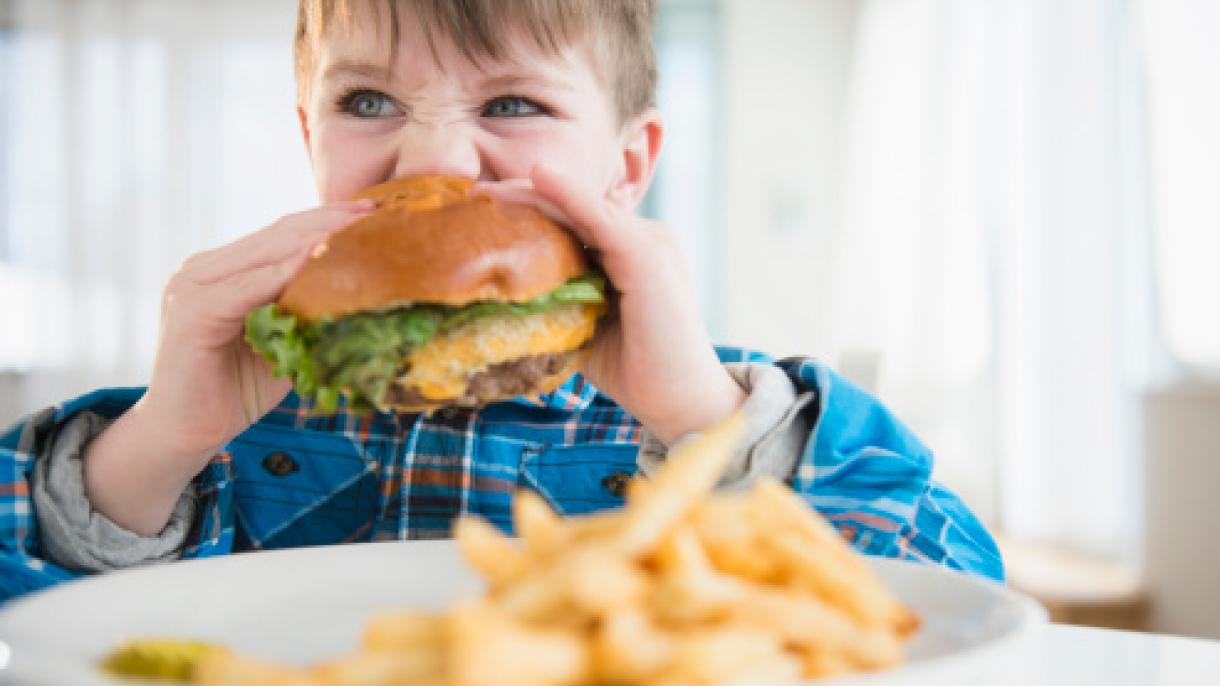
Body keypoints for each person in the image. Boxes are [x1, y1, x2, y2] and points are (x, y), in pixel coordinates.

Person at [0, 0, 1002, 603]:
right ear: (309, 137)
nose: (431, 157)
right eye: (366, 102)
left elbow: (957, 599)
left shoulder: (710, 401)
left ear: (625, 164)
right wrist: (153, 444)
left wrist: (708, 425)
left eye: (512, 104)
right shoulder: (219, 416)